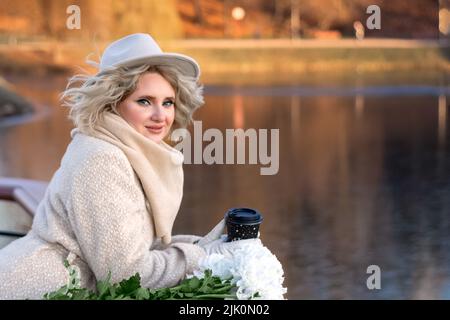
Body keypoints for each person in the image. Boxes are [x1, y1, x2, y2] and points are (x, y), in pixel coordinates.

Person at [0, 33, 258, 299]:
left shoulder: (124, 151)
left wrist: (210, 245)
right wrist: (205, 256)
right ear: (112, 103)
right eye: (144, 101)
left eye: (167, 102)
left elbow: (135, 246)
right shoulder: (101, 159)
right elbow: (127, 275)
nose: (161, 116)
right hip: (37, 288)